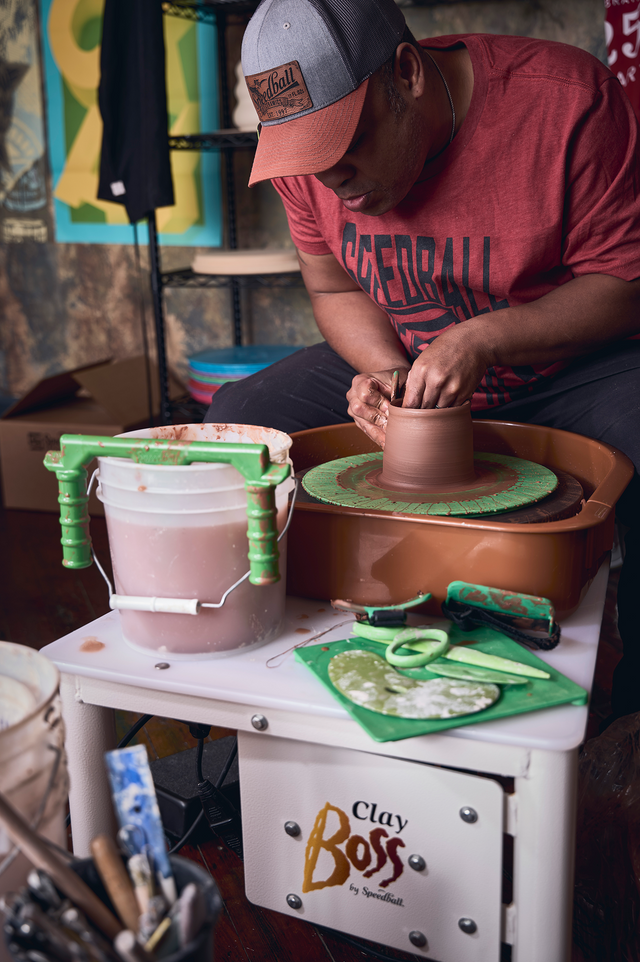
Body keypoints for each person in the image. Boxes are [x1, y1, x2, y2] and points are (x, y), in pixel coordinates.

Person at [205, 0, 640, 722]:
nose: (333, 180)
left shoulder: (566, 103)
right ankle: (262, 674)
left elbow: (626, 286)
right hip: (414, 358)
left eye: (349, 145)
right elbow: (333, 283)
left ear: (406, 75)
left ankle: (627, 714)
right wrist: (380, 366)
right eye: (309, 159)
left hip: (565, 369)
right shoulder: (309, 163)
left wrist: (483, 339)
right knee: (243, 423)